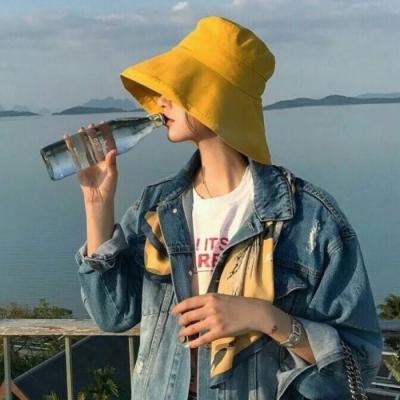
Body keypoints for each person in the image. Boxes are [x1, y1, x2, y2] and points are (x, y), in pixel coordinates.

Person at [73, 16, 383, 400]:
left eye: (178, 87)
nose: (161, 100)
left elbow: (358, 363)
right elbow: (112, 314)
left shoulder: (309, 219)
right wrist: (97, 203)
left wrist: (265, 317)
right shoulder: (157, 208)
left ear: (215, 97)